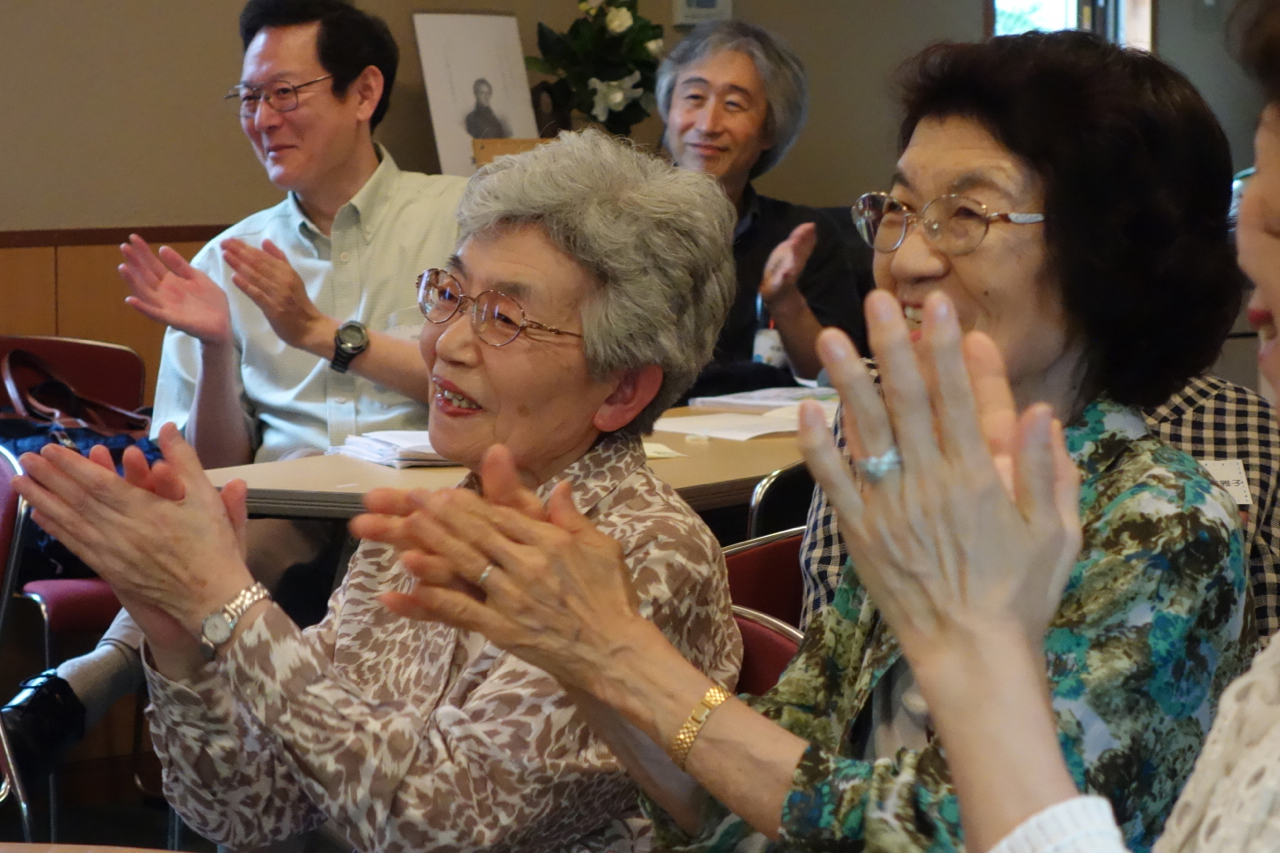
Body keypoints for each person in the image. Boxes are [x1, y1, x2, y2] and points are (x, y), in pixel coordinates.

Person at [352, 31, 1254, 853]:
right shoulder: (902, 472)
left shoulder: (1163, 518)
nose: (907, 258)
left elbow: (962, 831)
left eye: (968, 215)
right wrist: (584, 656)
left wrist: (627, 655)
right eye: (899, 209)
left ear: (1108, 255)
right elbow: (752, 798)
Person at [10, 129, 742, 851]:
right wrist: (180, 645)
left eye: (504, 319)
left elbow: (436, 828)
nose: (445, 344)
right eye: (450, 294)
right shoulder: (427, 521)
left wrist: (228, 605)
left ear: (621, 389)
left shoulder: (647, 554)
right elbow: (251, 810)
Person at [0, 0, 467, 797]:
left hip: (435, 496)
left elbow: (497, 381)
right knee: (214, 524)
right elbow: (208, 467)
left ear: (363, 92)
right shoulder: (228, 259)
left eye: (285, 93)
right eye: (249, 98)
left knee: (380, 543)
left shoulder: (461, 219)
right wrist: (218, 348)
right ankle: (80, 690)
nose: (262, 119)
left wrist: (321, 332)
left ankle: (94, 684)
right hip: (286, 511)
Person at [659, 21, 870, 397]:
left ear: (770, 129)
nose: (707, 124)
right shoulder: (614, 224)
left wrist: (784, 300)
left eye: (733, 104)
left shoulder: (803, 237)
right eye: (694, 97)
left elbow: (835, 380)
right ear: (668, 108)